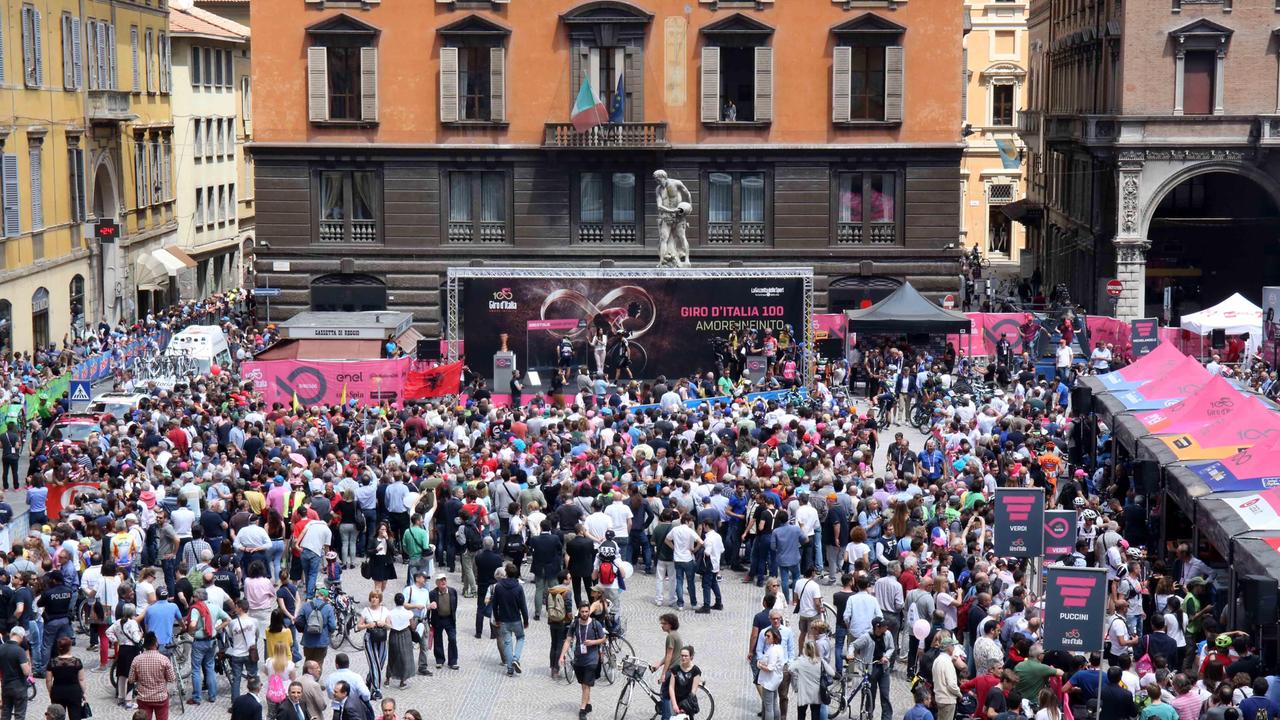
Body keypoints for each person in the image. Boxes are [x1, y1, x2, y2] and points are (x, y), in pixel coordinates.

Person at [561, 603, 607, 720]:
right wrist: (562, 656)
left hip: (592, 659)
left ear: (589, 611)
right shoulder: (575, 624)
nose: (585, 614)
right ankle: (588, 703)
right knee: (583, 684)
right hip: (578, 659)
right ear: (579, 612)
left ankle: (582, 710)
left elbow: (603, 639)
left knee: (586, 684)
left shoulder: (595, 624)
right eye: (582, 612)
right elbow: (568, 640)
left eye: (587, 611)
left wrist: (592, 642)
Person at [849, 616, 895, 720]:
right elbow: (853, 645)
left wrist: (886, 656)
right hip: (871, 669)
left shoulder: (887, 634)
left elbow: (891, 648)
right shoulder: (866, 637)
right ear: (877, 627)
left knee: (885, 695)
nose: (886, 627)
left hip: (883, 668)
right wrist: (850, 654)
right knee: (871, 696)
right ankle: (869, 715)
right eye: (884, 626)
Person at [491, 562, 529, 677]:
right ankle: (515, 658)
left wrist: (497, 619)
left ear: (506, 573)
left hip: (503, 620)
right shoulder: (518, 587)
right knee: (520, 638)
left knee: (507, 643)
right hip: (516, 619)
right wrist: (526, 620)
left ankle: (510, 669)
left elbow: (494, 605)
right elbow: (523, 606)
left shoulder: (498, 587)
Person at [128, 632, 176, 720]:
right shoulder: (164, 659)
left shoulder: (137, 660)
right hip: (161, 698)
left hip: (143, 698)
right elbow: (172, 678)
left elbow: (131, 679)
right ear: (156, 643)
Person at [108, 602, 144, 708]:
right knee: (131, 676)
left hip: (122, 649)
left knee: (121, 675)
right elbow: (136, 639)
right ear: (133, 612)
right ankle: (128, 701)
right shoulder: (133, 623)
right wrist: (141, 635)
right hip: (131, 651)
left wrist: (116, 640)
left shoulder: (118, 622)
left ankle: (121, 699)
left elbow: (108, 632)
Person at [356, 591, 389, 701]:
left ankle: (369, 679)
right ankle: (376, 690)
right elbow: (359, 626)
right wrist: (367, 625)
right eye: (372, 597)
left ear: (380, 599)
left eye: (376, 597)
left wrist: (384, 624)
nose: (374, 599)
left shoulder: (385, 610)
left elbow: (390, 626)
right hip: (370, 639)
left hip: (382, 639)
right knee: (374, 663)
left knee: (380, 663)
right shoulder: (366, 611)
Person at [227, 598, 261, 700]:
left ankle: (235, 702)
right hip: (250, 653)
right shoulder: (254, 621)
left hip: (237, 654)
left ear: (240, 608)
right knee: (253, 677)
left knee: (236, 679)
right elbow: (257, 635)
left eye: (236, 607)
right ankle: (254, 698)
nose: (235, 609)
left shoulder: (233, 623)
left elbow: (230, 635)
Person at [46, 635, 85, 720]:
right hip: (74, 691)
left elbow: (48, 680)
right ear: (69, 647)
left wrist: (51, 692)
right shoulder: (77, 662)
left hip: (58, 691)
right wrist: (82, 692)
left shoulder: (53, 662)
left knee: (57, 716)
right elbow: (81, 679)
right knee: (75, 716)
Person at [295, 588, 336, 665]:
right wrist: (328, 632)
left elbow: (298, 621)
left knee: (308, 662)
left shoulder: (306, 605)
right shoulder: (328, 608)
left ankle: (306, 672)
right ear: (326, 598)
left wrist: (304, 630)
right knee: (318, 664)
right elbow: (333, 626)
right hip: (322, 640)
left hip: (308, 640)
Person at [427, 574, 459, 670]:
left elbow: (455, 604)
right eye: (441, 580)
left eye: (444, 579)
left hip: (449, 619)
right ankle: (440, 660)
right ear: (437, 583)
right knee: (438, 640)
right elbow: (429, 608)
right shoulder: (432, 594)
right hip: (438, 619)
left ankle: (453, 661)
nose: (443, 582)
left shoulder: (452, 591)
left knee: (452, 639)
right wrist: (428, 621)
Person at [788, 639, 826, 720]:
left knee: (801, 714)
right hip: (816, 692)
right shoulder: (820, 661)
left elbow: (790, 669)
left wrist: (797, 677)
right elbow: (830, 673)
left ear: (806, 650)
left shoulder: (801, 661)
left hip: (803, 692)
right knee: (815, 714)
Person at [385, 593, 416, 688]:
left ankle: (387, 679)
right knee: (405, 657)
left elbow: (388, 627)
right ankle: (402, 681)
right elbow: (413, 627)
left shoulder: (390, 613)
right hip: (405, 634)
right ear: (403, 601)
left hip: (394, 634)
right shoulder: (409, 613)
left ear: (395, 601)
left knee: (392, 657)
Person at [667, 645, 704, 719]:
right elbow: (671, 687)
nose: (683, 658)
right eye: (682, 655)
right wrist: (674, 704)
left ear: (691, 657)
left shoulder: (695, 671)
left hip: (688, 703)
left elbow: (693, 691)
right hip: (676, 700)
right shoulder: (675, 669)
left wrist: (684, 707)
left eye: (686, 656)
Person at [757, 627, 786, 720]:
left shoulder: (773, 650)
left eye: (768, 636)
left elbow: (770, 668)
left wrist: (760, 665)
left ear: (775, 637)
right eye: (765, 635)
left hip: (770, 681)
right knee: (774, 704)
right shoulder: (778, 647)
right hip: (775, 680)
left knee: (769, 707)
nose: (766, 638)